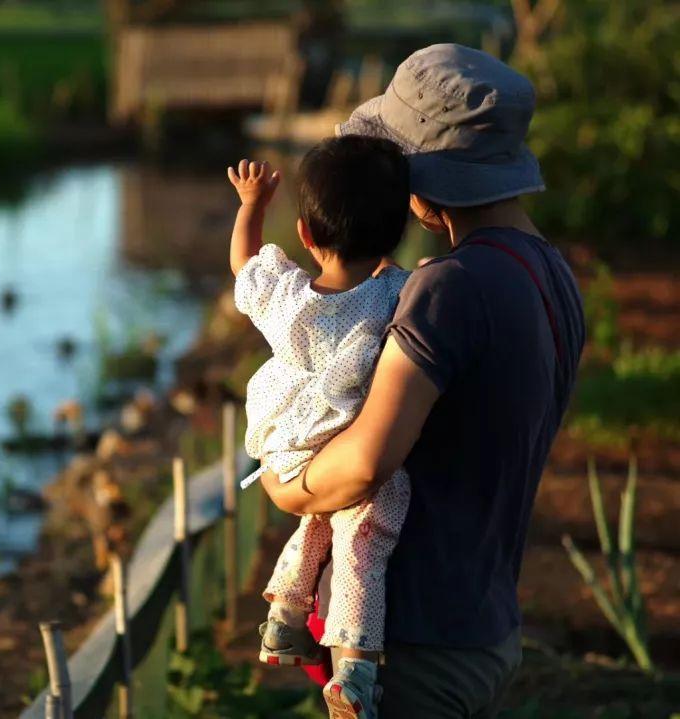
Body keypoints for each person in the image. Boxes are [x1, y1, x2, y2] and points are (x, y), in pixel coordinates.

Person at [258, 44, 586, 718]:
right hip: (486, 627)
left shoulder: (450, 286)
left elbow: (367, 462)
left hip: (412, 645)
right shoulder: (552, 275)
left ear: (427, 179)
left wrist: (282, 484)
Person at [227, 135, 413, 719]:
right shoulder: (394, 294)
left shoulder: (287, 297)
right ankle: (353, 672)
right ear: (397, 233)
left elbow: (243, 264)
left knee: (318, 520)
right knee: (366, 533)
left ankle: (284, 615)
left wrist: (252, 205)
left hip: (284, 441)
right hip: (336, 439)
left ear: (306, 235)